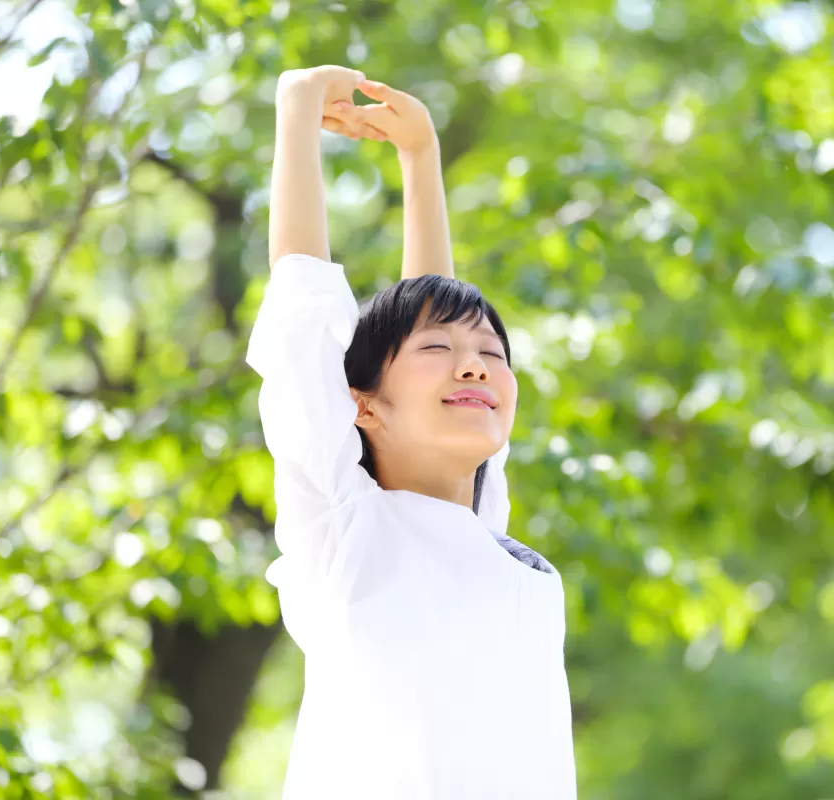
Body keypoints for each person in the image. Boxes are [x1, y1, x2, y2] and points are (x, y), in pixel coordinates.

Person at [245, 64, 577, 798]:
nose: (473, 369)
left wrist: (421, 160)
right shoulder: (347, 532)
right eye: (440, 355)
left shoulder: (495, 538)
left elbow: (438, 317)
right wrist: (297, 112)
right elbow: (302, 316)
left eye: (492, 356)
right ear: (361, 404)